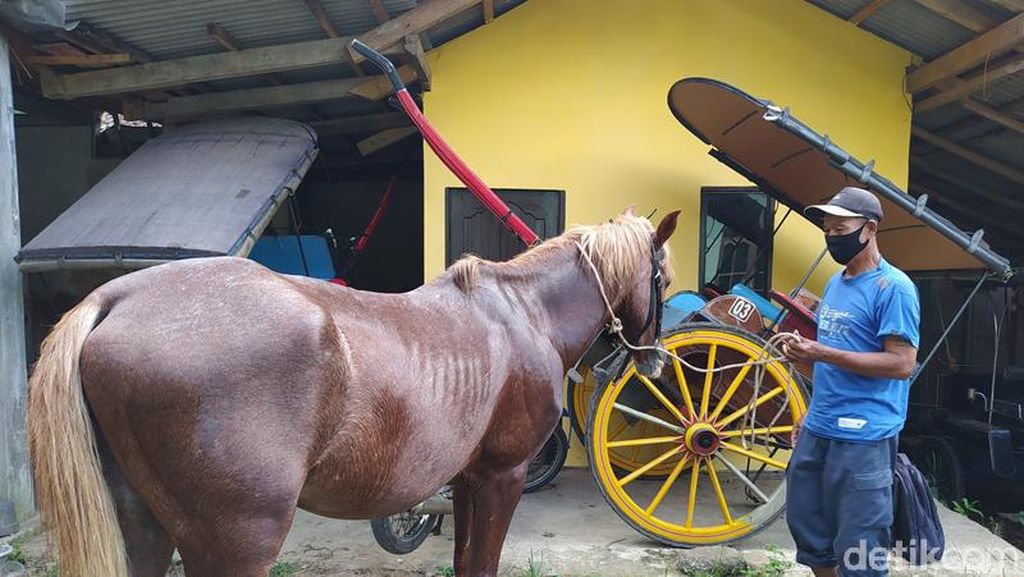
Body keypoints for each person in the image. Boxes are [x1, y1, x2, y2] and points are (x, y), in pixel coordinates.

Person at [779, 186, 921, 577]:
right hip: (820, 428)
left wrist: (821, 353)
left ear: (869, 229)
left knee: (860, 547)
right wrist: (809, 410)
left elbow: (901, 363)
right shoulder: (836, 284)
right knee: (811, 534)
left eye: (840, 227)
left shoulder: (894, 289)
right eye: (827, 227)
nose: (831, 236)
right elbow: (831, 362)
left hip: (865, 437)